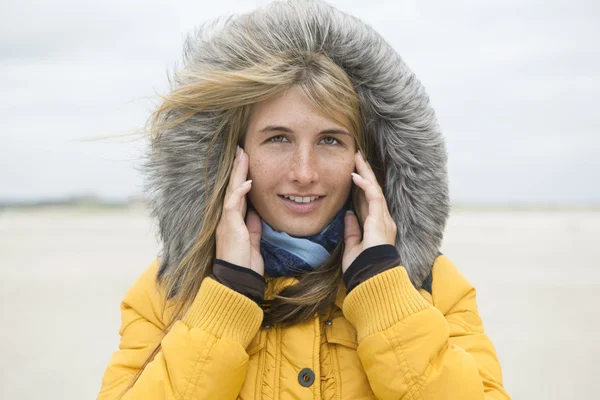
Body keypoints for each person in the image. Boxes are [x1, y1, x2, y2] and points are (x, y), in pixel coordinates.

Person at [97, 1, 510, 399]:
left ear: (365, 159)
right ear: (235, 154)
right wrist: (226, 297)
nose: (304, 172)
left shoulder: (431, 285)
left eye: (330, 140)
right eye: (278, 138)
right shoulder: (168, 290)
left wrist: (383, 288)